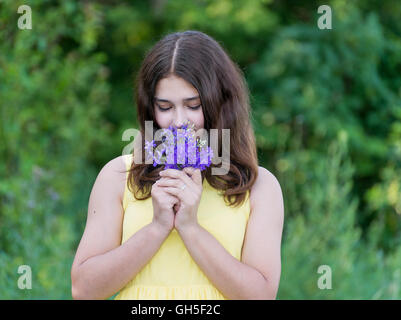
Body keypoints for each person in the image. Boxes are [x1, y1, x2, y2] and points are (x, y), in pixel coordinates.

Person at [71, 30, 284, 300]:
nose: (179, 121)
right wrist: (157, 227)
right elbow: (83, 290)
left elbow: (261, 296)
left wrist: (190, 227)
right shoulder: (118, 176)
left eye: (193, 105)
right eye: (165, 107)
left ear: (221, 103)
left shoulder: (258, 186)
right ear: (150, 108)